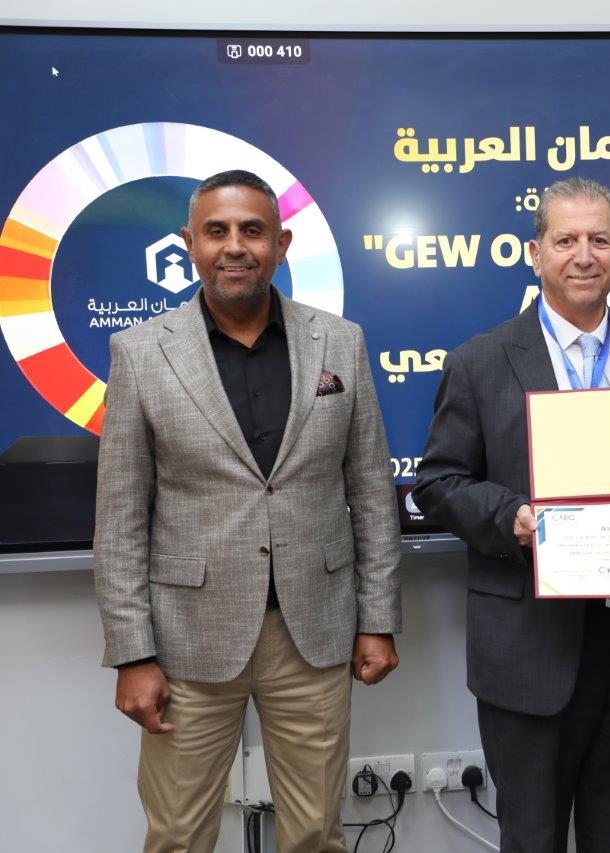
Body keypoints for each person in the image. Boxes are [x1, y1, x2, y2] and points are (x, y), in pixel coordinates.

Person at [94, 169, 402, 852]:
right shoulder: (140, 353)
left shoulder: (339, 342)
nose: (236, 246)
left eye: (253, 231)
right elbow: (119, 520)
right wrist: (132, 654)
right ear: (190, 244)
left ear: (281, 245)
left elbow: (371, 493)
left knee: (316, 832)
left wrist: (378, 619)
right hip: (187, 642)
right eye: (217, 231)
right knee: (178, 835)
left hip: (314, 632)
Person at [413, 177, 610, 853]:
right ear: (535, 253)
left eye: (599, 239)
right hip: (530, 647)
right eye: (566, 240)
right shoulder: (480, 359)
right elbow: (438, 482)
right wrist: (513, 516)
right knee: (533, 839)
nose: (584, 255)